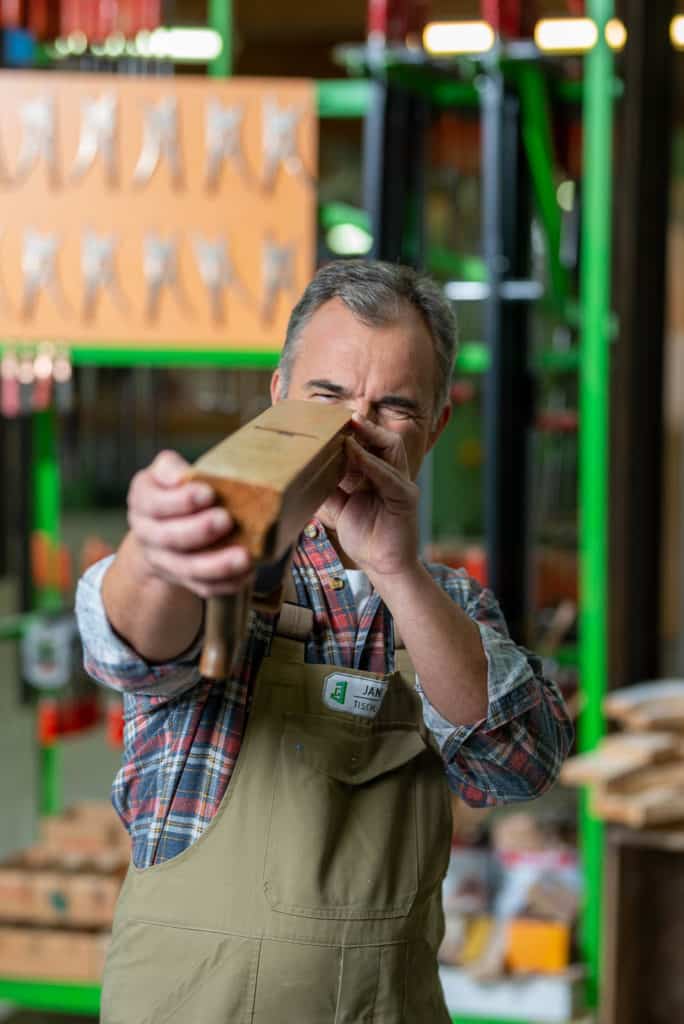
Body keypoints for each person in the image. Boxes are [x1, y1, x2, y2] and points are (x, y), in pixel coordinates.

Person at [76, 259, 573, 1024]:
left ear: (435, 428)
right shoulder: (225, 561)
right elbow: (134, 644)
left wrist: (397, 571)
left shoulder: (450, 607)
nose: (353, 430)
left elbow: (519, 767)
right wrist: (159, 546)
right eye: (327, 396)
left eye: (394, 408)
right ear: (278, 395)